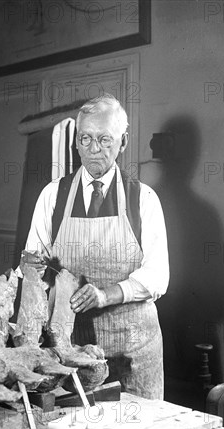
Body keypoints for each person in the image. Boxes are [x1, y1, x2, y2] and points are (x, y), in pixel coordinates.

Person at [24, 93, 169, 400]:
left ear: (123, 142)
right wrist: (38, 272)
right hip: (74, 347)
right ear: (76, 142)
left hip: (134, 350)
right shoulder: (52, 196)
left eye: (104, 140)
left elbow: (158, 276)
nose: (93, 150)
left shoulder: (143, 199)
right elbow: (32, 266)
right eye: (85, 139)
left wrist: (106, 295)